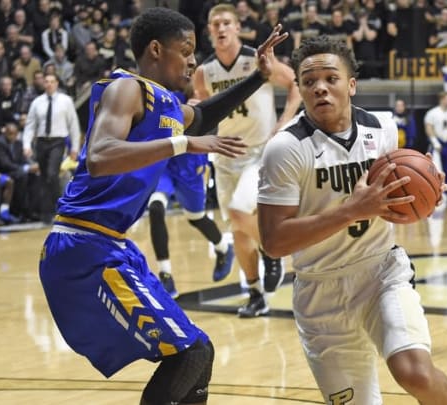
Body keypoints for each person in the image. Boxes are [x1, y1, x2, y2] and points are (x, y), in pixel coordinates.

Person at [38, 7, 287, 405]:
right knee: (191, 354)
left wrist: (259, 76)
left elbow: (203, 115)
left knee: (197, 352)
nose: (193, 60)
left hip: (110, 245)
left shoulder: (166, 102)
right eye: (186, 50)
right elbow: (100, 156)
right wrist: (184, 143)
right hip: (84, 245)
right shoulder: (127, 88)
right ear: (156, 49)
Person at [258, 35, 447, 405]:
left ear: (351, 85)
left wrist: (426, 190)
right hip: (321, 291)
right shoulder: (284, 149)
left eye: (330, 78)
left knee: (415, 372)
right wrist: (351, 210)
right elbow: (272, 242)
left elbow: (399, 191)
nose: (320, 87)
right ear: (300, 89)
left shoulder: (383, 128)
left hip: (381, 272)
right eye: (309, 81)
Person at [192, 3, 302, 318]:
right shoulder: (204, 71)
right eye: (216, 24)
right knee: (239, 231)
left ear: (238, 27)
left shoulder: (258, 59)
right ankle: (255, 294)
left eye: (227, 23)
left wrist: (285, 120)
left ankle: (272, 250)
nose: (221, 29)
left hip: (259, 152)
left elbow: (293, 82)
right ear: (210, 31)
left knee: (239, 212)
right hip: (224, 155)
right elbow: (202, 108)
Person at [148, 89, 235, 299]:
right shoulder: (161, 90)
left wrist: (200, 111)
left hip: (191, 164)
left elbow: (212, 126)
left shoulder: (197, 88)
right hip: (167, 161)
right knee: (155, 208)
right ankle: (165, 273)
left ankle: (223, 248)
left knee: (195, 217)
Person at [22, 73, 80, 223]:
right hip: (41, 142)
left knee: (52, 174)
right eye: (46, 82)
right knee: (43, 178)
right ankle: (46, 213)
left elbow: (73, 125)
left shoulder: (66, 101)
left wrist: (74, 147)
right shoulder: (37, 102)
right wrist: (26, 145)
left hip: (58, 141)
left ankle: (58, 209)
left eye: (52, 82)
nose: (48, 84)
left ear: (57, 84)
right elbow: (29, 126)